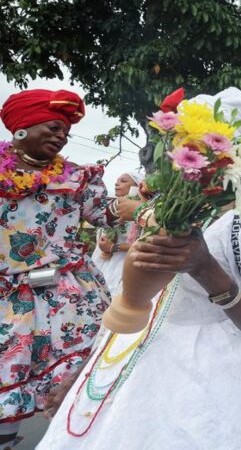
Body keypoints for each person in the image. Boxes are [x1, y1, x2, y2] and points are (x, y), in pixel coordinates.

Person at [36, 88, 241, 450]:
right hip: (140, 363)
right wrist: (85, 375)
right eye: (179, 142)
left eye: (197, 144)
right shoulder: (172, 204)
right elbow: (141, 304)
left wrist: (205, 268)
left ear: (228, 152)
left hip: (212, 384)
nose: (182, 154)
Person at [0, 89, 138, 448]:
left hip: (71, 295)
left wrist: (142, 202)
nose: (61, 136)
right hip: (8, 299)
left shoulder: (77, 177)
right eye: (53, 127)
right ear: (22, 128)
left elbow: (104, 216)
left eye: (65, 131)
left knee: (84, 377)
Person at [91, 171, 144, 295]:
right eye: (117, 180)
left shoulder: (141, 211)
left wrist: (113, 247)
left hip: (124, 266)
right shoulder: (111, 207)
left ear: (137, 187)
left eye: (124, 181)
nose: (117, 183)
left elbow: (143, 243)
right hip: (102, 261)